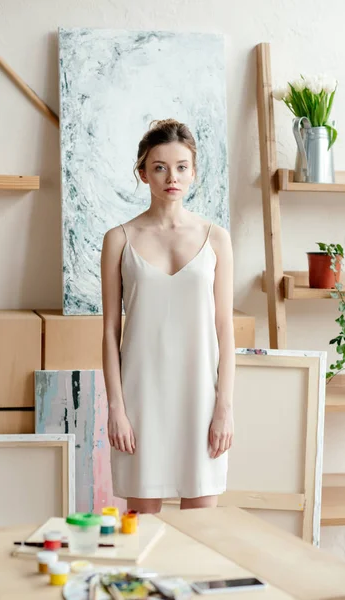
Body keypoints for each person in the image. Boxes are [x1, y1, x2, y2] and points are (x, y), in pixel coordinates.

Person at [101, 118, 235, 514]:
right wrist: (116, 410)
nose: (170, 177)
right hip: (141, 399)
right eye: (159, 167)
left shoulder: (216, 239)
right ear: (143, 173)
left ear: (193, 172)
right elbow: (110, 332)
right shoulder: (119, 239)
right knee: (142, 533)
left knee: (203, 535)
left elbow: (224, 331)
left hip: (201, 399)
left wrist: (224, 408)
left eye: (180, 167)